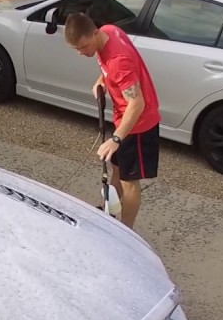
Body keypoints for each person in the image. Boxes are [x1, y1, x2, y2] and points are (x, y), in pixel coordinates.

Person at [64, 12, 161, 230]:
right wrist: (103, 81)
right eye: (77, 49)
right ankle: (110, 214)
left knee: (129, 181)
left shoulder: (119, 61)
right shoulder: (109, 31)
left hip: (138, 125)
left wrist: (116, 138)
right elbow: (111, 70)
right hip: (123, 118)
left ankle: (126, 231)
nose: (82, 53)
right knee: (117, 169)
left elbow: (137, 103)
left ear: (95, 33)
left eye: (84, 47)